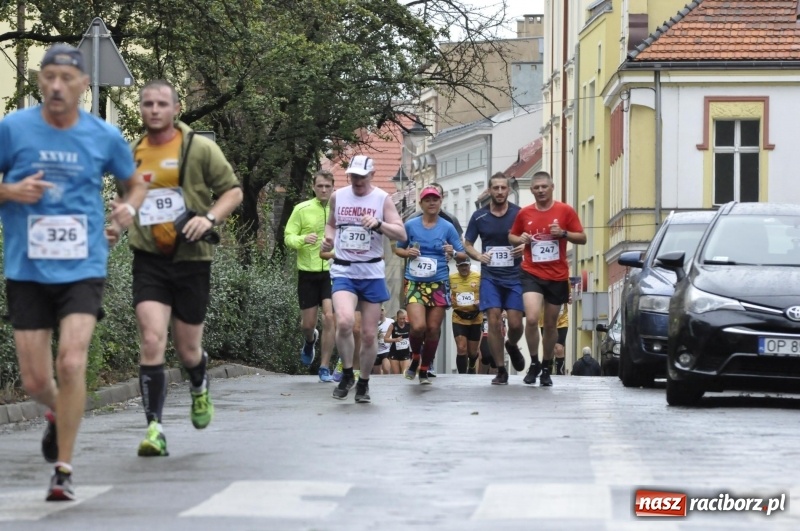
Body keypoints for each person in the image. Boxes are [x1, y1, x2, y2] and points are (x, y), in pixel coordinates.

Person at [0, 44, 147, 501]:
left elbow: (135, 185)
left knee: (70, 362)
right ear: (39, 81)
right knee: (35, 381)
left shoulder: (103, 135)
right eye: (50, 77)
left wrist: (127, 210)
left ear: (84, 85)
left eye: (67, 78)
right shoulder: (13, 129)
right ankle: (56, 411)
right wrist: (10, 191)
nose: (57, 86)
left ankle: (63, 470)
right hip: (27, 267)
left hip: (83, 264)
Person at [125, 80, 243, 457]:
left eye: (162, 104)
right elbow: (127, 197)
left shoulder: (198, 148)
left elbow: (233, 191)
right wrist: (120, 214)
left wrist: (208, 218)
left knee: (188, 349)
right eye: (147, 103)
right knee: (151, 340)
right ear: (141, 109)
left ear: (176, 109)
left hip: (192, 260)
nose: (154, 110)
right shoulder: (133, 152)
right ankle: (154, 429)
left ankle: (198, 381)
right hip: (149, 259)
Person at [321, 155, 406, 402]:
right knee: (345, 322)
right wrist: (329, 239)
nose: (357, 181)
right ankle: (348, 373)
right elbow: (331, 224)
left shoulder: (381, 198)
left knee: (369, 334)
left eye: (362, 176)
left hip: (371, 272)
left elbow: (401, 233)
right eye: (353, 176)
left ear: (372, 175)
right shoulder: (338, 196)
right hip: (344, 270)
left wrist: (379, 224)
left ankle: (364, 383)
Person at [509, 171, 586, 387]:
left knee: (551, 325)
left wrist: (563, 233)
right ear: (532, 190)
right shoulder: (524, 213)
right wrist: (520, 239)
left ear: (552, 187)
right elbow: (512, 235)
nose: (541, 190)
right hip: (531, 272)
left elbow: (582, 237)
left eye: (544, 187)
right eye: (537, 188)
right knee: (532, 319)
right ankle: (534, 362)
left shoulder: (565, 210)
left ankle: (546, 366)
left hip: (557, 275)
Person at [395, 186, 467, 384]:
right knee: (418, 326)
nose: (432, 203)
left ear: (440, 201)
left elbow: (462, 255)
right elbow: (398, 249)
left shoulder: (447, 227)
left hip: (438, 282)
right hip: (415, 281)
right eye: (427, 200)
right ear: (421, 203)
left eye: (435, 199)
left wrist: (453, 251)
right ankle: (415, 357)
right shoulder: (411, 225)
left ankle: (425, 369)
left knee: (433, 328)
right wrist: (407, 252)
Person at [464, 173, 527, 385]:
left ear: (508, 190)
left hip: (515, 276)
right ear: (490, 190)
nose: (500, 192)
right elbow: (467, 243)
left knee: (516, 323)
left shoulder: (519, 213)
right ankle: (500, 369)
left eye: (503, 188)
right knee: (493, 319)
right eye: (496, 188)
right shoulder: (479, 216)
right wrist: (478, 256)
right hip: (491, 276)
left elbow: (530, 238)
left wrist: (523, 247)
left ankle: (512, 344)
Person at [284, 170, 336, 381]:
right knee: (307, 325)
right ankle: (310, 340)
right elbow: (288, 237)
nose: (323, 190)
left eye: (327, 186)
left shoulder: (339, 209)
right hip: (307, 273)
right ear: (313, 187)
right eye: (320, 186)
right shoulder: (301, 209)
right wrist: (303, 239)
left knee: (330, 317)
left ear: (333, 188)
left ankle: (324, 367)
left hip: (332, 272)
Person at [449, 257, 482, 374]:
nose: (464, 268)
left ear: (469, 265)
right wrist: (448, 300)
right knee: (461, 348)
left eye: (466, 265)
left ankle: (472, 364)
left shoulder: (478, 277)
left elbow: (487, 293)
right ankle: (461, 376)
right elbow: (444, 293)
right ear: (457, 267)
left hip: (475, 318)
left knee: (472, 352)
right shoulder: (451, 278)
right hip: (459, 317)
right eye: (461, 266)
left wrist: (481, 302)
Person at [538, 297, 570, 375]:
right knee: (549, 349)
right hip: (545, 321)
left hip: (562, 321)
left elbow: (570, 295)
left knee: (559, 348)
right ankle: (547, 371)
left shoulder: (564, 287)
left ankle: (560, 373)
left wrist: (570, 298)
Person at [385, 309, 411, 374]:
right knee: (396, 375)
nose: (402, 320)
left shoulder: (409, 325)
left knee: (404, 374)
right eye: (400, 319)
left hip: (405, 353)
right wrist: (395, 340)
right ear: (397, 317)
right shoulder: (393, 325)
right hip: (394, 353)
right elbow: (385, 339)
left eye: (403, 318)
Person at [373, 306, 393, 374]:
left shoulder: (391, 321)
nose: (380, 312)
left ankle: (388, 379)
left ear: (385, 311)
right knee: (376, 373)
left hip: (387, 350)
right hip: (376, 351)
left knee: (386, 368)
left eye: (382, 310)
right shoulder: (373, 323)